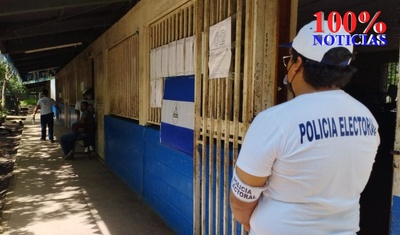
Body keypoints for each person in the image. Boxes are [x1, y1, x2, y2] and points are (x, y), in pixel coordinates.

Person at [229, 20, 380, 235]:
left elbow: (241, 200)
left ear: (297, 64)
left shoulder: (274, 121)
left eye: (288, 60)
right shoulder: (367, 119)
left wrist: (251, 223)